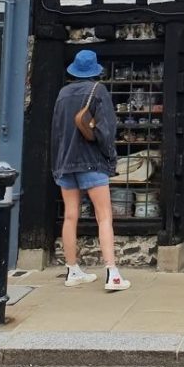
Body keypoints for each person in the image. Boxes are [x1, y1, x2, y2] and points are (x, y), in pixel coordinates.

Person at [51, 48, 130, 291]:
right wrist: (110, 157)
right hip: (91, 161)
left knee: (70, 216)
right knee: (104, 216)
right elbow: (106, 131)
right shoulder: (98, 91)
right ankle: (113, 274)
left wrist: (57, 163)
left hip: (66, 162)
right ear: (94, 70)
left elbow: (56, 131)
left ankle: (72, 270)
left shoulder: (63, 94)